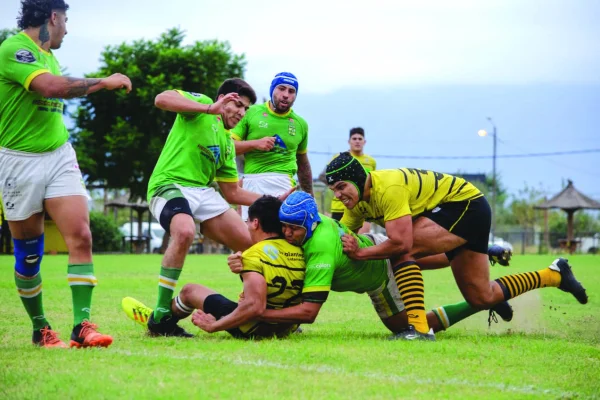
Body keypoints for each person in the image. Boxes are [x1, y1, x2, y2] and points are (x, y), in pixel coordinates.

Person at [325, 153, 588, 340]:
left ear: (359, 178)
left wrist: (361, 252)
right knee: (481, 297)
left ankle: (418, 330)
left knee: (403, 251)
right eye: (333, 190)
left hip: (465, 205)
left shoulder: (388, 188)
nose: (338, 195)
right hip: (461, 212)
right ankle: (554, 274)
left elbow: (401, 243)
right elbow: (341, 235)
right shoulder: (356, 202)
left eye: (341, 187)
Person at [0, 0, 132, 348]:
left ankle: (82, 326)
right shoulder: (15, 49)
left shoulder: (50, 57)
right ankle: (40, 327)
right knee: (29, 254)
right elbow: (51, 88)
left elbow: (59, 85)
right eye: (66, 21)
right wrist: (104, 81)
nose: (68, 30)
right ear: (53, 17)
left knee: (82, 236)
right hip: (18, 160)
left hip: (59, 155)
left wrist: (101, 84)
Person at [228, 192, 514, 339]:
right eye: (284, 227)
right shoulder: (307, 227)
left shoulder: (320, 248)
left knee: (407, 325)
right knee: (418, 257)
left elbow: (309, 311)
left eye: (292, 228)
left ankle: (477, 300)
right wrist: (246, 263)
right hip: (372, 243)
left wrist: (262, 312)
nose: (288, 234)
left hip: (377, 272)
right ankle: (479, 251)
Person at [146, 79, 293, 337]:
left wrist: (273, 199)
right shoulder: (202, 105)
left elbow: (232, 192)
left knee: (252, 245)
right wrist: (208, 109)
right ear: (223, 98)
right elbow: (161, 98)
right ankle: (160, 315)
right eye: (238, 104)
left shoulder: (226, 143)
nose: (241, 112)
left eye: (246, 109)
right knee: (184, 231)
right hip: (169, 184)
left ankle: (258, 308)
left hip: (202, 192)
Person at [122, 196, 305, 339]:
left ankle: (159, 322)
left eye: (248, 222)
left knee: (189, 291)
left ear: (256, 223)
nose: (247, 227)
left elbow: (254, 307)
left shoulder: (253, 254)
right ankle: (160, 317)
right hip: (288, 327)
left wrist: (215, 325)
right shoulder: (301, 250)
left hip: (255, 328)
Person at [231, 72, 313, 220]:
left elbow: (303, 163)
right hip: (253, 181)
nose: (286, 95)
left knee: (284, 235)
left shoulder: (301, 124)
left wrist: (310, 196)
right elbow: (228, 146)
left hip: (284, 183)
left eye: (291, 91)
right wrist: (255, 144)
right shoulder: (251, 113)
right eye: (281, 88)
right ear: (272, 89)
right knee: (251, 237)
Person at [320, 127, 376, 225]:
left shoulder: (371, 161)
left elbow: (372, 183)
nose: (357, 141)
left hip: (363, 206)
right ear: (349, 141)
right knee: (341, 237)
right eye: (354, 139)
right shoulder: (339, 158)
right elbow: (323, 176)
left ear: (364, 142)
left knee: (361, 237)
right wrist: (338, 186)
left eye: (360, 139)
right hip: (340, 207)